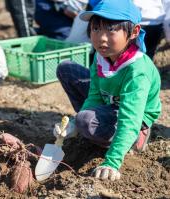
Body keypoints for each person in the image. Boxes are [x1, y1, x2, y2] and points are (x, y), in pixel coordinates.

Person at [53, 0, 161, 181]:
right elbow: (94, 95)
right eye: (96, 29)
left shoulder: (137, 70)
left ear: (134, 32)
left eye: (111, 29)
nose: (101, 37)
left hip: (135, 115)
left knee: (86, 121)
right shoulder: (101, 55)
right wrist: (73, 124)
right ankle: (90, 126)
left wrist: (112, 161)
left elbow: (130, 116)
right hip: (110, 102)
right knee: (66, 69)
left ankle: (135, 138)